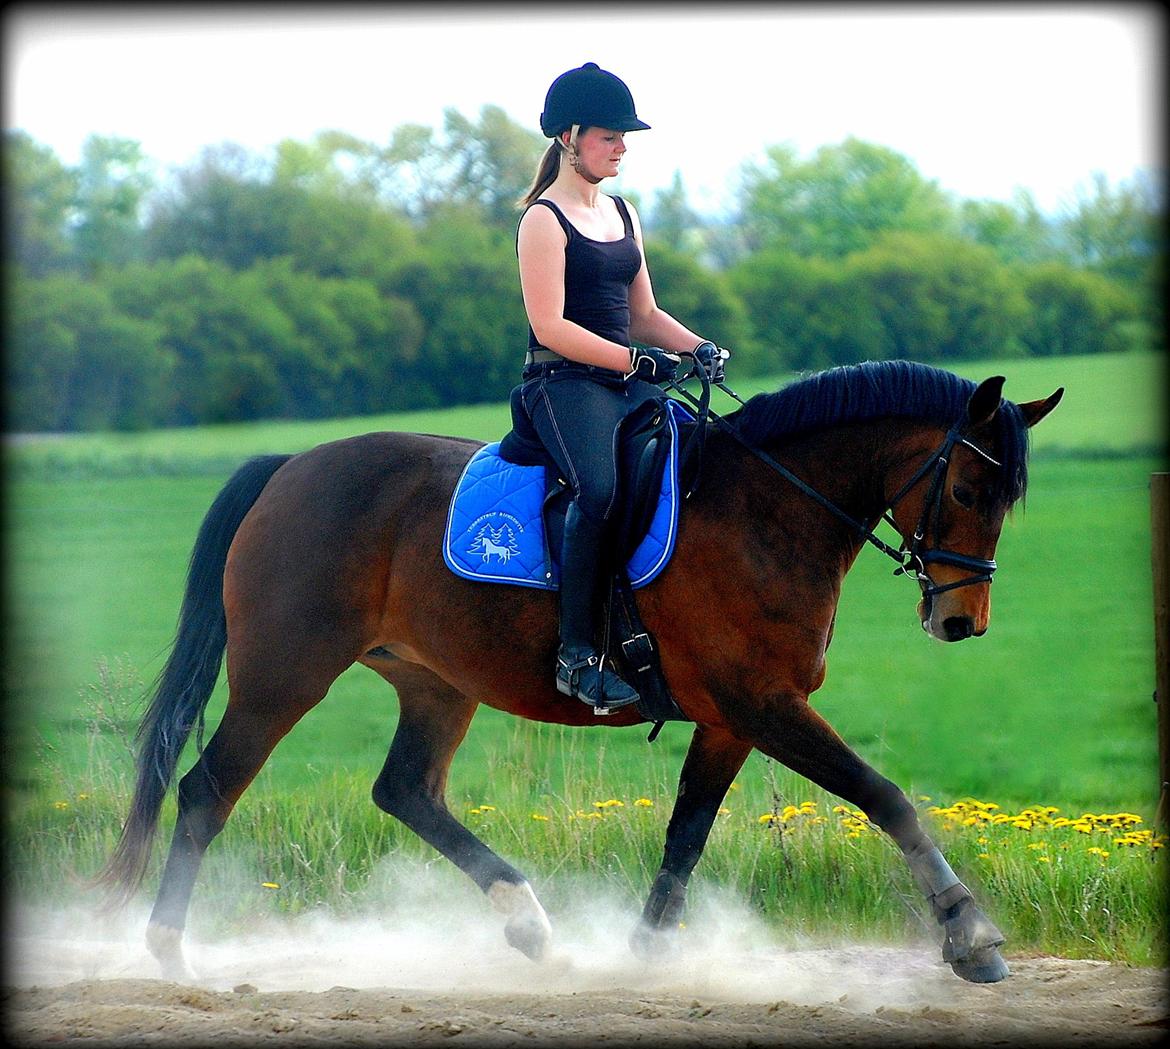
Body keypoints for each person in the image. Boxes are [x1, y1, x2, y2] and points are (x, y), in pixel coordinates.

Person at [514, 61, 728, 711]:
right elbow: (548, 324)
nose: (623, 146)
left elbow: (644, 313)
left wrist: (695, 346)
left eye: (624, 136)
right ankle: (576, 654)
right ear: (568, 137)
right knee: (600, 489)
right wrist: (633, 363)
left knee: (698, 464)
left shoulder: (623, 213)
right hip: (564, 383)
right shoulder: (542, 221)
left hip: (622, 379)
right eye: (610, 135)